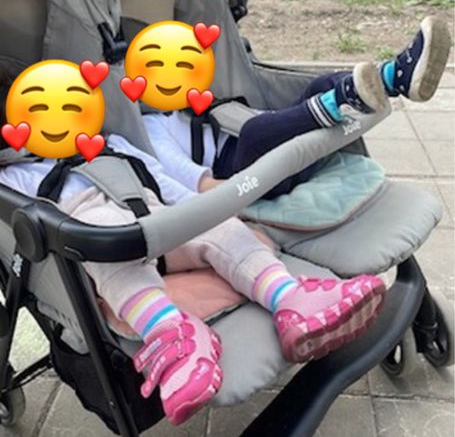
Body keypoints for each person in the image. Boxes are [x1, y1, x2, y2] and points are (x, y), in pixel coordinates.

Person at [0, 71, 386, 426]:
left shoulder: (113, 144)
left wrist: (206, 211)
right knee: (107, 244)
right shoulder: (15, 175)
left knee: (223, 229)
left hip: (157, 218)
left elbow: (163, 181)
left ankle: (291, 300)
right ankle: (171, 333)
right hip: (98, 241)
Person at [142, 16, 451, 197]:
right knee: (254, 131)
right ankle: (342, 100)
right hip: (243, 169)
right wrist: (246, 194)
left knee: (317, 85)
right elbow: (205, 187)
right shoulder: (150, 131)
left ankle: (394, 77)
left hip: (274, 136)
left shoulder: (189, 103)